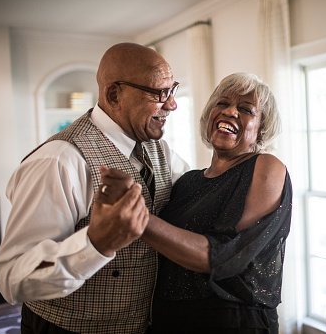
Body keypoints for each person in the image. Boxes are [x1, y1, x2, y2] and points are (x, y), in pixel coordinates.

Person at [0, 42, 189, 333]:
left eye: (172, 90)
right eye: (159, 93)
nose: (172, 104)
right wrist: (95, 244)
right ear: (114, 94)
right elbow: (11, 277)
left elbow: (198, 188)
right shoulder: (59, 160)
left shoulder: (162, 150)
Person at [99, 72, 292, 333]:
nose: (231, 111)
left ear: (262, 129)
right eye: (222, 103)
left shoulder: (267, 167)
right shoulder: (187, 181)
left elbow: (224, 256)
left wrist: (136, 216)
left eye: (246, 109)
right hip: (168, 317)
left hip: (233, 321)